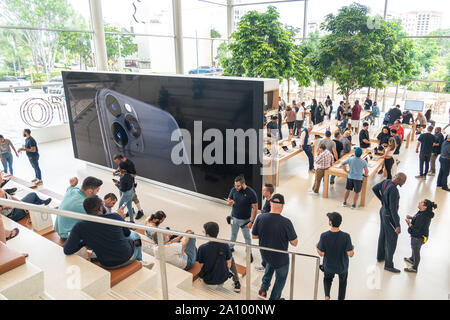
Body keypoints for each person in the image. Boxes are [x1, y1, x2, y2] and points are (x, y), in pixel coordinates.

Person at [63, 195, 143, 269]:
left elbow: (67, 250)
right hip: (126, 258)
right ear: (101, 208)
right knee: (135, 235)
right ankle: (140, 261)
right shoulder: (115, 216)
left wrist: (84, 242)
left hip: (106, 264)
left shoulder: (79, 226)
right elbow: (127, 233)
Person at [252, 193, 298, 300]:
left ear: (271, 203)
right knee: (280, 280)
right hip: (280, 258)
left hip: (266, 254)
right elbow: (294, 243)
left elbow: (254, 236)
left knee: (269, 264)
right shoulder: (286, 222)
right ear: (282, 205)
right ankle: (274, 298)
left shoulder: (260, 217)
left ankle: (263, 289)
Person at [372, 172, 407, 273]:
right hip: (389, 215)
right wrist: (397, 225)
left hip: (382, 211)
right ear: (399, 180)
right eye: (404, 181)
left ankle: (380, 257)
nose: (404, 183)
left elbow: (374, 188)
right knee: (391, 239)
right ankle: (388, 265)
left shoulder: (386, 181)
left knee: (383, 234)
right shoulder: (394, 190)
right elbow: (393, 209)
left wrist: (382, 200)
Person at [316, 212, 354, 300]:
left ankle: (327, 296)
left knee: (327, 279)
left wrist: (316, 247)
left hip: (328, 266)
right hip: (342, 267)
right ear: (340, 222)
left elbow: (321, 253)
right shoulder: (346, 236)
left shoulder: (324, 236)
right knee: (343, 283)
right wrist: (352, 248)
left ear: (330, 222)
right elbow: (350, 254)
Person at [197, 221, 241, 293]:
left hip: (208, 280)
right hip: (223, 278)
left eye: (204, 231)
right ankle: (237, 281)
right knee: (230, 257)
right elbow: (229, 264)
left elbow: (201, 266)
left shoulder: (202, 248)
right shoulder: (225, 245)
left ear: (207, 235)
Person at [226, 175, 258, 259]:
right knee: (233, 234)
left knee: (247, 237)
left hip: (245, 220)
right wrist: (230, 202)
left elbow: (255, 209)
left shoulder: (251, 193)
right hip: (234, 217)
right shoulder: (233, 190)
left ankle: (249, 252)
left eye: (238, 186)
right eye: (235, 185)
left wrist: (251, 221)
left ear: (243, 184)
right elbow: (229, 200)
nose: (236, 187)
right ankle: (230, 247)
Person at [404, 199, 436, 273]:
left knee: (416, 251)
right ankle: (412, 259)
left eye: (421, 202)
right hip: (420, 236)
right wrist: (412, 217)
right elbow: (418, 218)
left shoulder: (423, 216)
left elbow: (417, 230)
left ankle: (415, 268)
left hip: (419, 237)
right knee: (414, 247)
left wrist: (409, 224)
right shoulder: (424, 213)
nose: (419, 202)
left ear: (425, 207)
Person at [112, 154, 144, 220]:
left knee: (134, 197)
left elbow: (134, 175)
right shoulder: (121, 163)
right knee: (124, 198)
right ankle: (131, 210)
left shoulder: (130, 164)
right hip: (123, 182)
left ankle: (140, 211)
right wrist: (117, 171)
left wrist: (125, 174)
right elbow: (120, 168)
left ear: (120, 159)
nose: (118, 163)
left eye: (117, 161)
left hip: (130, 183)